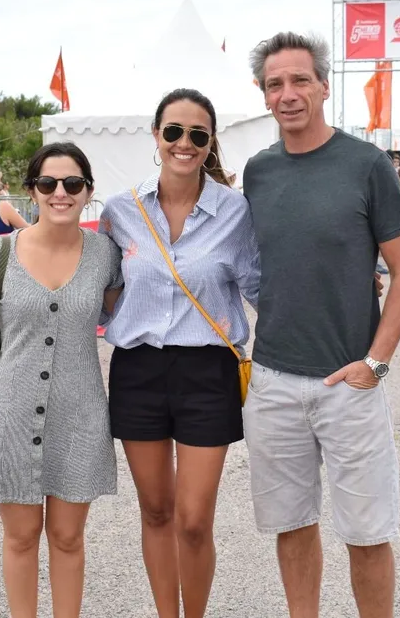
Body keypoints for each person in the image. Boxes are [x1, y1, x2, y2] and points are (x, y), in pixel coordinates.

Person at [243, 31, 400, 618]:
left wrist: (376, 363)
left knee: (367, 533)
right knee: (291, 527)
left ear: (323, 85)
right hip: (271, 380)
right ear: (263, 94)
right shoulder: (258, 172)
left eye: (299, 81)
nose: (288, 94)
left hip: (349, 381)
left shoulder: (366, 164)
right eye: (275, 84)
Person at [99, 88, 260, 618]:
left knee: (193, 519)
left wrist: (350, 282)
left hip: (207, 370)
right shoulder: (122, 211)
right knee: (156, 510)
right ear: (156, 135)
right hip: (138, 371)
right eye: (174, 131)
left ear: (210, 141)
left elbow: (263, 288)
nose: (184, 143)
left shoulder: (235, 212)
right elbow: (98, 288)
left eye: (197, 134)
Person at [0, 142, 123, 618]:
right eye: (48, 183)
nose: (60, 193)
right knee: (21, 536)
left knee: (68, 538)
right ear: (32, 191)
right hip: (8, 410)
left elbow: (123, 310)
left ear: (88, 191)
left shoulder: (105, 255)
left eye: (72, 184)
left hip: (79, 414)